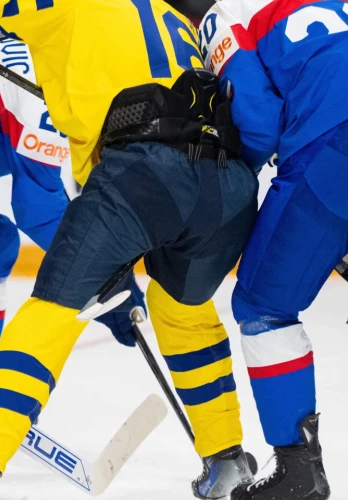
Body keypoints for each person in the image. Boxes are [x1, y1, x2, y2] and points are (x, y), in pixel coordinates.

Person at [0, 0, 260, 498]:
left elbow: (41, 204)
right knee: (188, 319)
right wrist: (120, 285)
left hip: (140, 173)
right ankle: (226, 456)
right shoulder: (178, 20)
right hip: (228, 184)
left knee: (48, 315)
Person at [197, 0, 348, 497]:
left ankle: (298, 474)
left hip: (334, 143)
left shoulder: (228, 10)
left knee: (263, 305)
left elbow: (257, 119)